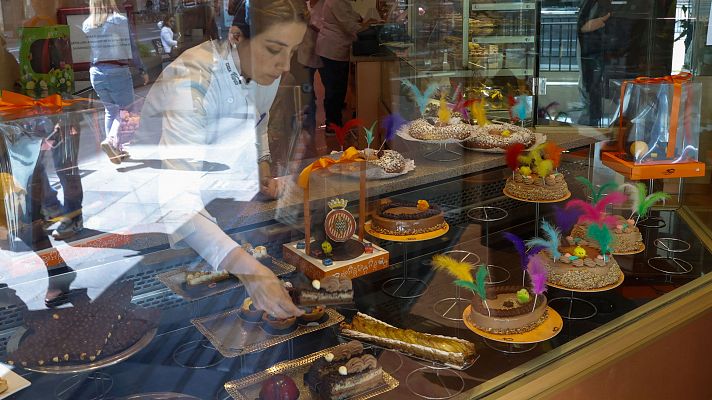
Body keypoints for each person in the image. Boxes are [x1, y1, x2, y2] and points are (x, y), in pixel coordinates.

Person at [138, 0, 307, 319]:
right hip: (156, 212)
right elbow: (177, 203)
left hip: (216, 197)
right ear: (236, 37)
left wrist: (263, 165)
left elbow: (259, 120)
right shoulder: (191, 83)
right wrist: (252, 273)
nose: (286, 65)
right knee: (187, 307)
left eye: (292, 51)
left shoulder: (263, 70)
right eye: (274, 49)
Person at [83, 0, 149, 164]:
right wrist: (142, 69)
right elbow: (131, 48)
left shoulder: (87, 24)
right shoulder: (119, 20)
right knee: (125, 110)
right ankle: (112, 140)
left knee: (110, 111)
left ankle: (117, 150)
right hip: (116, 71)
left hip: (96, 72)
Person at [315, 0, 373, 133]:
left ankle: (334, 121)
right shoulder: (336, 1)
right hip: (332, 49)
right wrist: (368, 29)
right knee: (334, 89)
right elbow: (348, 25)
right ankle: (332, 124)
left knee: (337, 88)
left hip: (334, 48)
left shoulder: (340, 2)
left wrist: (361, 19)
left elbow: (352, 15)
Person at [577, 0, 611, 127]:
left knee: (592, 89)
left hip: (593, 52)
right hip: (590, 51)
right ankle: (591, 122)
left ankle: (592, 123)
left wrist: (584, 27)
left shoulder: (598, 3)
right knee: (590, 88)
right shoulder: (591, 2)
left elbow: (604, 19)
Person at [297, 0, 324, 136]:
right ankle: (309, 124)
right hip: (306, 51)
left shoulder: (324, 4)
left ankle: (312, 124)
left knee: (329, 86)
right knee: (307, 89)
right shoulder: (302, 4)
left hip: (322, 50)